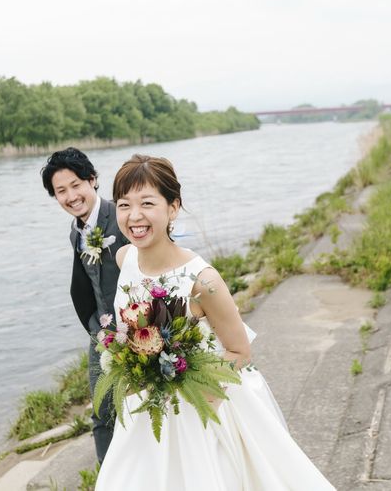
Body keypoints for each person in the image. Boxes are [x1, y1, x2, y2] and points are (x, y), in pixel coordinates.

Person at [94, 154, 335, 490]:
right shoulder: (125, 257)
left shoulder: (202, 280)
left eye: (147, 203)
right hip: (145, 411)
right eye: (124, 205)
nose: (134, 216)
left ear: (173, 208)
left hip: (201, 406)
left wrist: (184, 382)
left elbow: (240, 352)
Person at [41, 147, 127, 463]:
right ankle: (109, 480)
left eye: (75, 185)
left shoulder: (122, 216)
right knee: (102, 413)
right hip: (101, 334)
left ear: (92, 180)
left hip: (139, 328)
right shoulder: (75, 232)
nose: (71, 196)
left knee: (144, 406)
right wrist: (95, 327)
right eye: (61, 191)